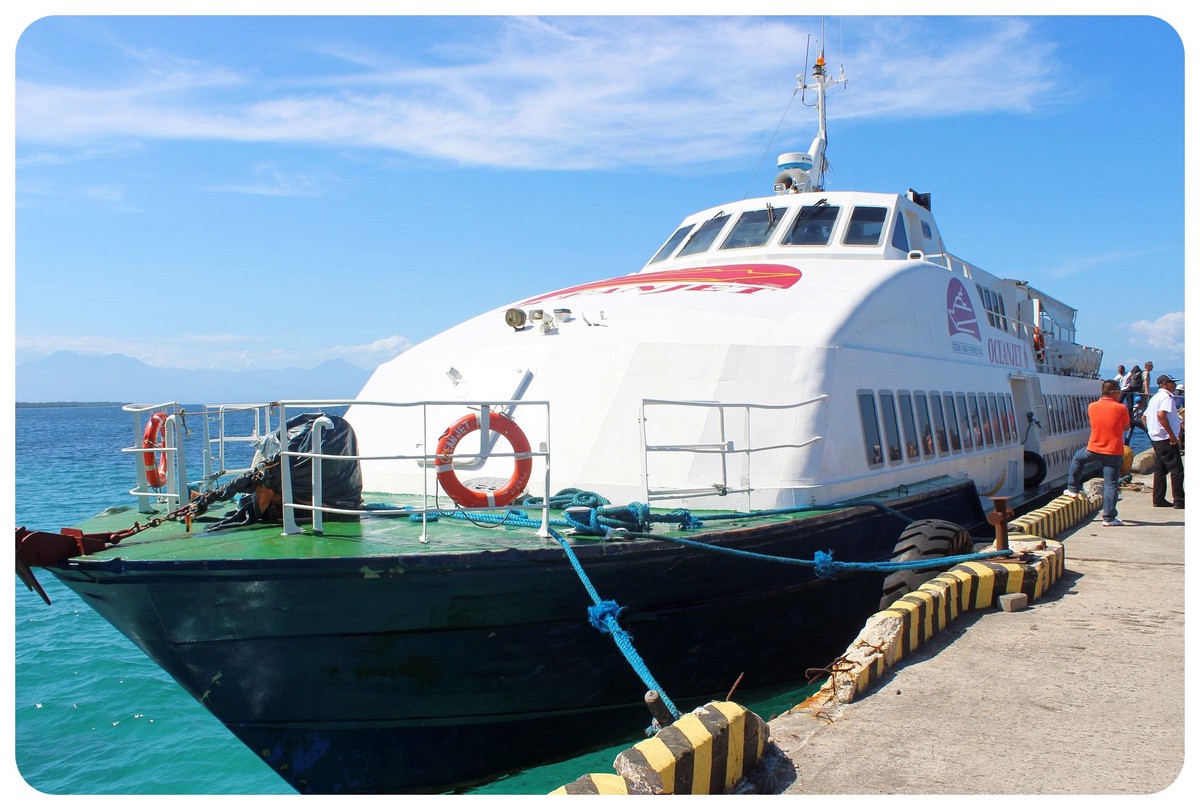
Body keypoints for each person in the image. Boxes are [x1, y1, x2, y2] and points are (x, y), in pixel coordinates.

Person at [1065, 379, 1130, 526]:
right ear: (1113, 392)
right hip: (1113, 450)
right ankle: (1109, 518)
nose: (1120, 395)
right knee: (1111, 484)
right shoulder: (1121, 408)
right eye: (1119, 392)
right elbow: (1126, 427)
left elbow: (1094, 423)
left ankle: (1073, 489)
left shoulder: (1092, 406)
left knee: (1078, 459)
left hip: (1094, 448)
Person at [1146, 374, 1185, 509]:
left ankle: (1158, 499)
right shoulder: (1166, 397)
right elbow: (1161, 415)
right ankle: (1179, 500)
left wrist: (1152, 431)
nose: (1174, 386)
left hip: (1156, 438)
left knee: (1161, 470)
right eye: (1171, 383)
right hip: (1166, 439)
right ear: (1164, 384)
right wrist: (1171, 435)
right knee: (1177, 470)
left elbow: (1144, 417)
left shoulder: (1154, 398)